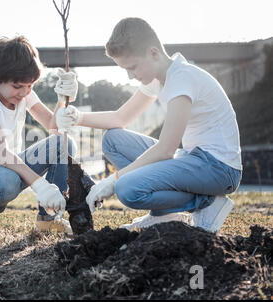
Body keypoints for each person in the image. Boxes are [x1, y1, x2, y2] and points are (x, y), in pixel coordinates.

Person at [56, 17, 242, 233]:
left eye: (133, 67)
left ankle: (206, 203)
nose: (130, 76)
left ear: (154, 53)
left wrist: (113, 180)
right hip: (194, 158)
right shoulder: (158, 78)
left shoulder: (181, 79)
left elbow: (165, 150)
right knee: (113, 140)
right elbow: (120, 119)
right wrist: (77, 117)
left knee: (127, 189)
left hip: (219, 169)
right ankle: (164, 215)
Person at [0, 36, 78, 238]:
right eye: (17, 86)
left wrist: (62, 100)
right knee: (7, 181)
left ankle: (48, 220)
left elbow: (52, 127)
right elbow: (2, 154)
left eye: (29, 86)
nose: (24, 93)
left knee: (63, 144)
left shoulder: (24, 94)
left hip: (9, 168)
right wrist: (41, 185)